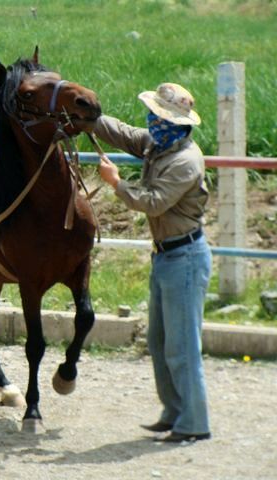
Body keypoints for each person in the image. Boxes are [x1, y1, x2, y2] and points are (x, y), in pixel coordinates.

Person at [94, 83, 212, 443]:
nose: (151, 122)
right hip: (169, 255)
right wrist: (89, 118)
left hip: (184, 258)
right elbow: (126, 134)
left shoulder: (184, 161)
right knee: (161, 342)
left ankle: (193, 422)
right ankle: (175, 412)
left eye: (158, 117)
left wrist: (116, 183)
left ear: (175, 124)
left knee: (181, 346)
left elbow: (154, 201)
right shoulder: (161, 144)